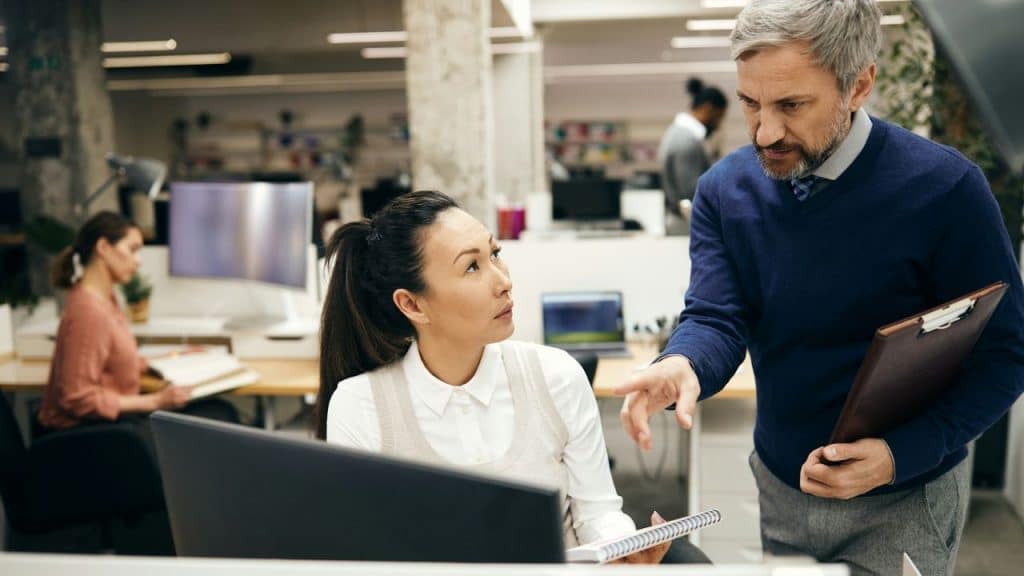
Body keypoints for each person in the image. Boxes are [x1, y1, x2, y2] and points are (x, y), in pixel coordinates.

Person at [616, 1, 1024, 575]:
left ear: (859, 86)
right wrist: (682, 364)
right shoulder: (723, 191)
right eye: (750, 103)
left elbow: (1007, 353)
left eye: (791, 105)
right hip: (783, 488)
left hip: (903, 497)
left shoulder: (945, 189)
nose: (765, 132)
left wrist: (897, 455)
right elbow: (717, 316)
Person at [316, 190, 707, 564]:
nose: (503, 280)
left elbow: (597, 513)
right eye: (472, 266)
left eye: (495, 254)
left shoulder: (555, 376)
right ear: (412, 304)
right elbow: (367, 555)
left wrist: (622, 547)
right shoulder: (362, 406)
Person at [38, 211, 238, 433]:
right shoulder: (89, 311)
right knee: (221, 417)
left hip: (113, 424)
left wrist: (178, 356)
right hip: (91, 435)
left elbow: (114, 358)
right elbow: (77, 398)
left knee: (219, 412)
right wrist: (156, 401)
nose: (138, 261)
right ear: (103, 248)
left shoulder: (106, 300)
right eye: (132, 249)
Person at [657, 77, 728, 235]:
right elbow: (692, 191)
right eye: (718, 117)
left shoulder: (675, 132)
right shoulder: (686, 141)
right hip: (687, 225)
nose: (718, 124)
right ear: (708, 109)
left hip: (681, 222)